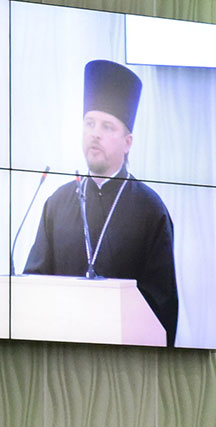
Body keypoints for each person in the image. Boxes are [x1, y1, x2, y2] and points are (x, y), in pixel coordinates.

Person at [21, 59, 179, 346]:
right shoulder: (56, 203)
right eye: (89, 123)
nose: (95, 133)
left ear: (127, 142)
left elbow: (161, 305)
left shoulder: (150, 210)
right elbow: (34, 284)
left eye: (107, 126)